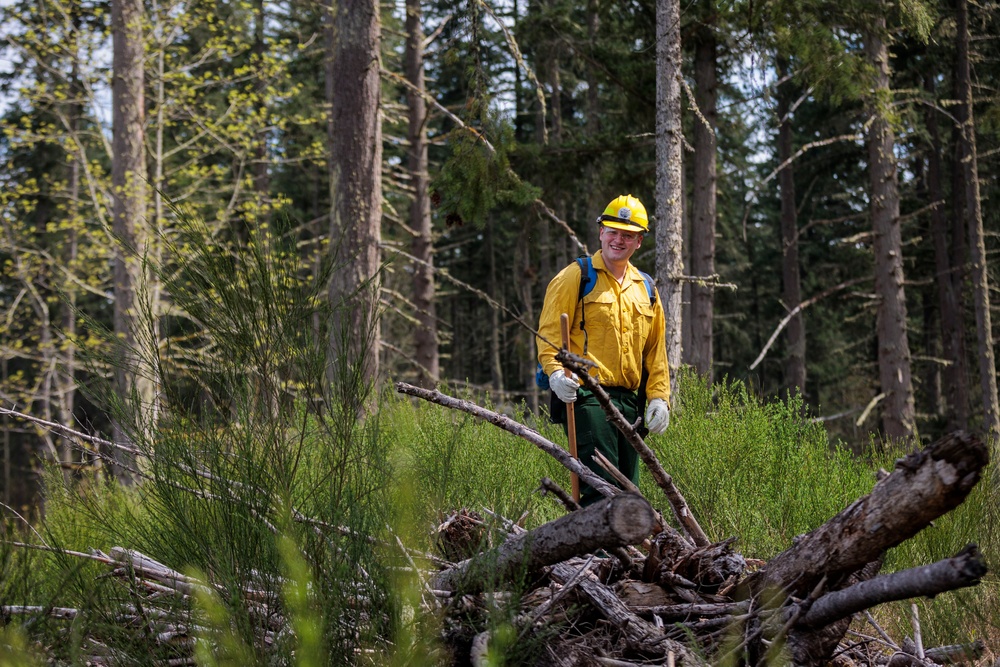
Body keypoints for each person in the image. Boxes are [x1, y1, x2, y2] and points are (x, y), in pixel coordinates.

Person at [536, 194, 670, 506]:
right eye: (612, 231)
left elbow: (655, 352)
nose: (618, 240)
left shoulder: (646, 288)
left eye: (627, 235)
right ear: (600, 232)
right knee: (601, 489)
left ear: (639, 241)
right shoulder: (577, 276)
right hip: (588, 397)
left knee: (630, 493)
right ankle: (598, 554)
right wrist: (555, 373)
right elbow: (549, 334)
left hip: (630, 404)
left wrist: (659, 398)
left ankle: (621, 555)